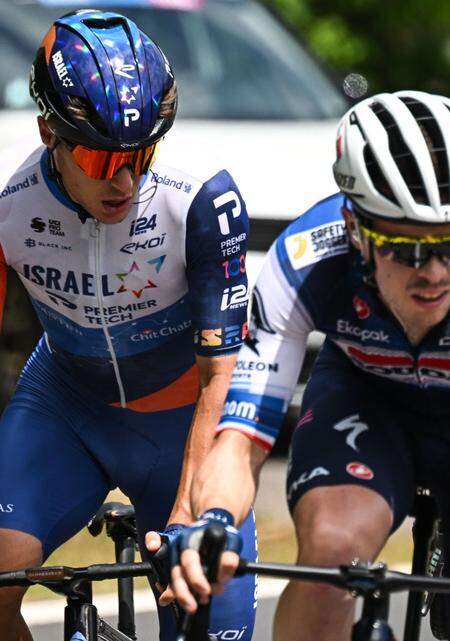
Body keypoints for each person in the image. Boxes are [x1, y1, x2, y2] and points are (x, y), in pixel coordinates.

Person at [157, 90, 450, 641]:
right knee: (331, 557)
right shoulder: (305, 258)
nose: (434, 271)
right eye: (407, 248)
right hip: (367, 402)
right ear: (355, 229)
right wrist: (215, 520)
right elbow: (240, 441)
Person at [0, 11, 256, 640]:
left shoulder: (200, 195)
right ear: (48, 133)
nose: (124, 179)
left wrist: (187, 510)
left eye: (140, 154)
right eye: (98, 157)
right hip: (67, 408)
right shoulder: (9, 203)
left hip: (186, 415)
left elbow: (221, 372)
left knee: (200, 604)